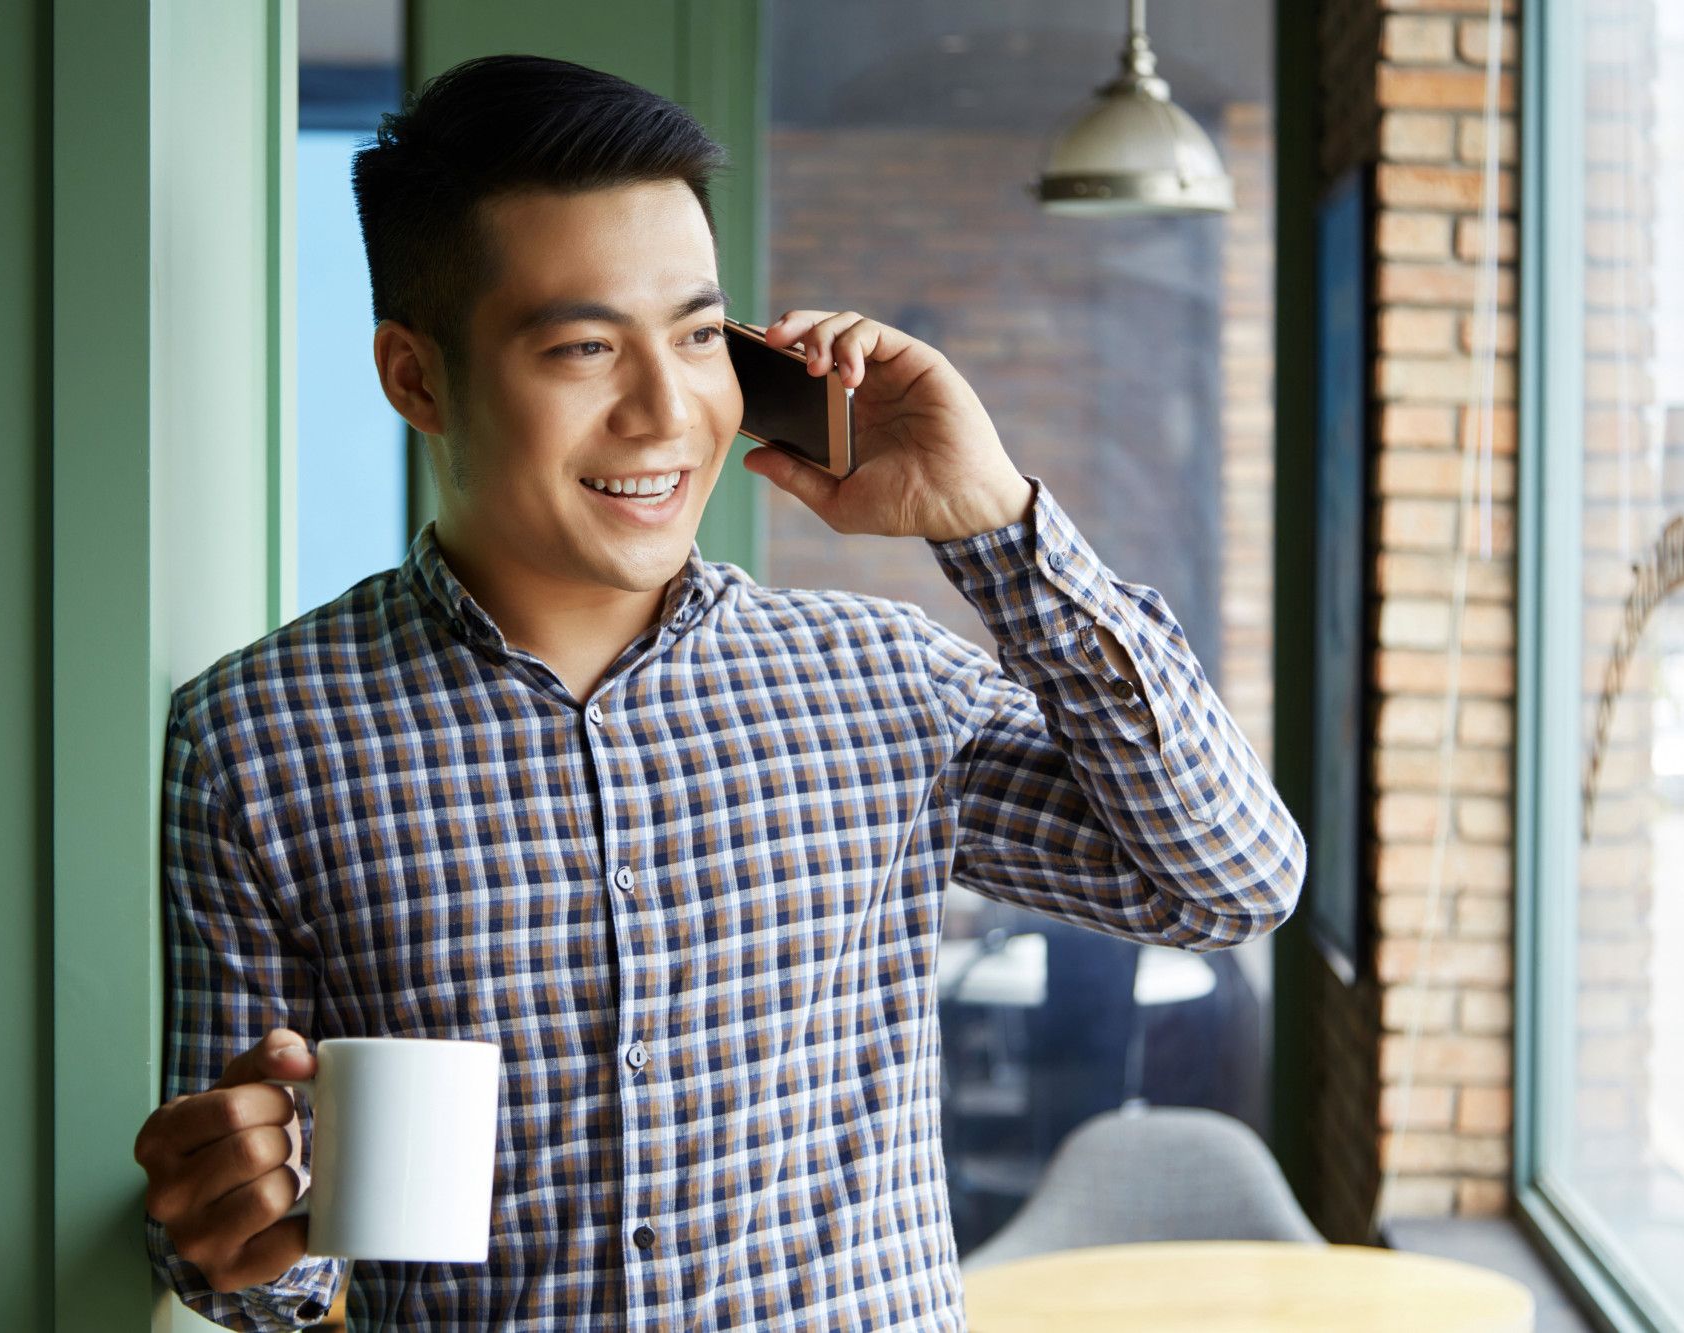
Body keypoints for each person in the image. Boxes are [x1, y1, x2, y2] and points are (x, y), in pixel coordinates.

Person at [130, 52, 1304, 1332]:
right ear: (415, 378)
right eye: (583, 347)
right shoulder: (254, 737)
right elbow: (256, 1275)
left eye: (697, 336)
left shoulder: (878, 680)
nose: (665, 411)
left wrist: (999, 530)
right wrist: (240, 1237)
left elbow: (1224, 882)